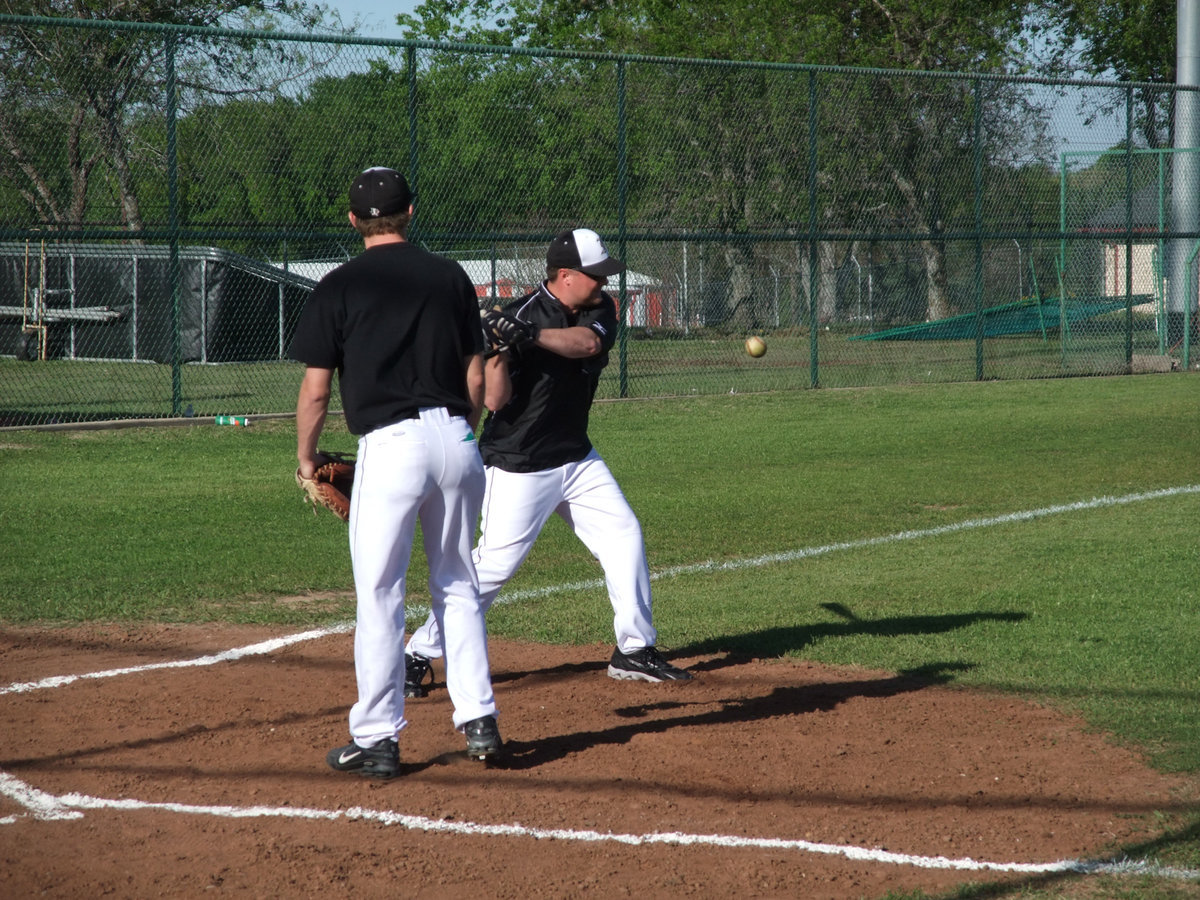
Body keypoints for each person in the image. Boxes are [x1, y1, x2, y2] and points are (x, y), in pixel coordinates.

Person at [403, 227, 692, 696]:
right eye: (595, 276)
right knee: (494, 567)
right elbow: (496, 401)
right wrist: (497, 349)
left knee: (624, 535)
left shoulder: (599, 310)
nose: (603, 284)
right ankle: (417, 652)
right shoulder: (515, 314)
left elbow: (588, 345)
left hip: (577, 457)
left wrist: (531, 336)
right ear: (565, 275)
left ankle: (634, 650)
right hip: (519, 463)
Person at [289, 166, 500, 778]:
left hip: (390, 444)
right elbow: (476, 376)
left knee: (381, 595)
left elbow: (316, 391)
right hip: (457, 439)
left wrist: (306, 458)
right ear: (412, 211)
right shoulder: (451, 276)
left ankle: (378, 738)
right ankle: (479, 719)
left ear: (353, 220)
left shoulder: (338, 284)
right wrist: (464, 438)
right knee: (457, 582)